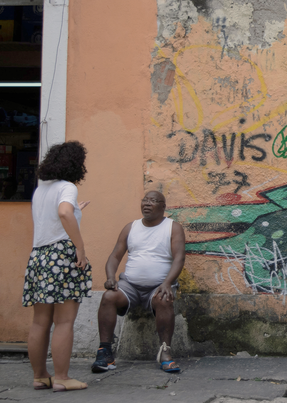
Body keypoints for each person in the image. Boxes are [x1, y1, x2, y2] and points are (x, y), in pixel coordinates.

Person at [91, 191, 186, 374]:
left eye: (153, 201)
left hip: (159, 285)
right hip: (130, 286)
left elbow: (179, 258)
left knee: (164, 299)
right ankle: (105, 352)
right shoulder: (131, 227)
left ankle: (165, 352)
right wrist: (110, 277)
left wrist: (167, 283)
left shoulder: (173, 228)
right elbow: (114, 256)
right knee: (109, 297)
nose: (147, 204)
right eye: (145, 200)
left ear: (163, 206)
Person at [22, 141, 91, 392]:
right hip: (61, 255)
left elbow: (57, 215)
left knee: (40, 321)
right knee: (64, 321)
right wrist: (80, 247)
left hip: (39, 256)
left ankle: (41, 376)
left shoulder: (41, 189)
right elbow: (63, 213)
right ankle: (62, 377)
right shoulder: (67, 187)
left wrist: (76, 210)